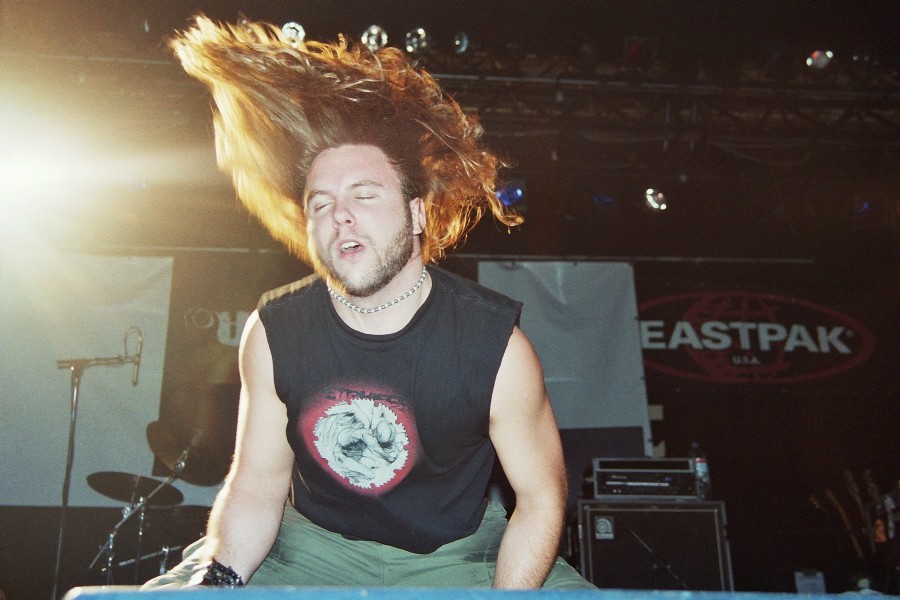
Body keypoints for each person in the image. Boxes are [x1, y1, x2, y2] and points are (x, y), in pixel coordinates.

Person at [142, 15, 595, 590]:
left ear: (416, 214)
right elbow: (256, 488)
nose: (341, 215)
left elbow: (541, 497)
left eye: (365, 195)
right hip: (311, 547)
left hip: (460, 554)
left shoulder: (494, 346)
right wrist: (219, 581)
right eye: (321, 203)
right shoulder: (275, 330)